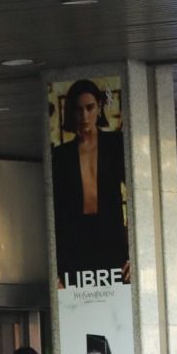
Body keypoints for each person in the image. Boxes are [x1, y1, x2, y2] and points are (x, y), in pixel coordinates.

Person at [51, 78, 130, 285]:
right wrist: (55, 267)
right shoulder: (61, 156)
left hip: (111, 233)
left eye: (90, 108)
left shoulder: (115, 145)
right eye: (78, 110)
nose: (84, 116)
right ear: (71, 112)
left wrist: (136, 252)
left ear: (99, 107)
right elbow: (56, 211)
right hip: (75, 238)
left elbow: (139, 194)